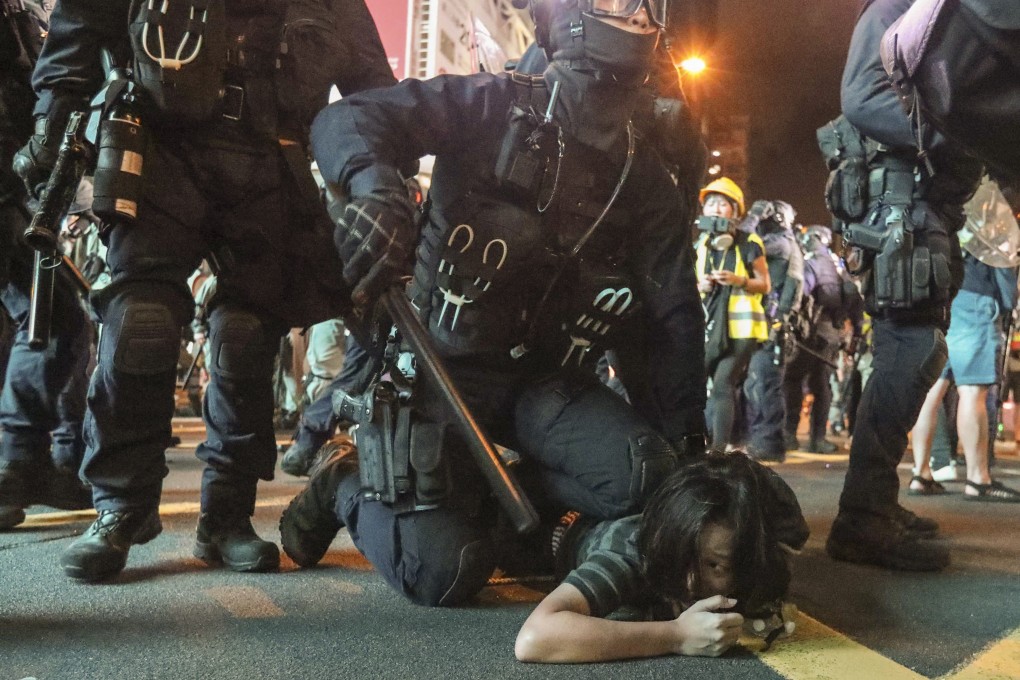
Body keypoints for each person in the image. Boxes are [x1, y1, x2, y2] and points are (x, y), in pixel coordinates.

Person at [287, 0, 708, 606]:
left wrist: (689, 452)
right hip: (441, 369)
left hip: (542, 383)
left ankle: (515, 516)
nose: (639, 16)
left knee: (650, 477)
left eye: (646, 5)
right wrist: (374, 191)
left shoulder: (643, 173)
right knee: (444, 573)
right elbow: (347, 119)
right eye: (619, 2)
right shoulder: (490, 102)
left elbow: (673, 320)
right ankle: (342, 478)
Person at [15, 0, 397, 581]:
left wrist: (377, 180)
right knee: (139, 322)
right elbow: (81, 25)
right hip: (158, 149)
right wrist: (52, 120)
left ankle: (227, 516)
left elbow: (375, 99)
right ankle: (121, 506)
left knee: (246, 340)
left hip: (272, 160)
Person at [820, 0, 985, 571]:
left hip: (918, 209)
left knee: (918, 352)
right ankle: (861, 520)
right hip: (898, 211)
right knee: (908, 352)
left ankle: (873, 504)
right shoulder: (896, 6)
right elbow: (861, 98)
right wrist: (958, 141)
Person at [514, 452, 808, 663]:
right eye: (685, 554)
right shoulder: (630, 550)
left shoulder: (754, 564)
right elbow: (536, 637)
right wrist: (675, 635)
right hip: (526, 532)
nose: (691, 579)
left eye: (715, 565)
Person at [0, 0, 93, 530]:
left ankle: (23, 462)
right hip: (10, 188)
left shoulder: (25, 10)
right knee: (52, 319)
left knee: (57, 320)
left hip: (17, 192)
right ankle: (20, 463)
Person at [908, 252, 1020, 501]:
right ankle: (978, 479)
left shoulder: (939, 213)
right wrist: (1007, 302)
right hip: (974, 300)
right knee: (972, 391)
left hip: (935, 300)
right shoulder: (987, 215)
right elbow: (1002, 263)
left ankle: (921, 473)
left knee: (932, 390)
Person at [696, 178, 771, 450]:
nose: (715, 209)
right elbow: (688, 285)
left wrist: (738, 280)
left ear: (735, 210)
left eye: (722, 204)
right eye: (711, 203)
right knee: (694, 385)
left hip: (741, 331)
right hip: (709, 327)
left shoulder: (749, 241)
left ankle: (717, 450)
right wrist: (700, 285)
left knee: (722, 385)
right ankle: (698, 442)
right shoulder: (700, 244)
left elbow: (765, 284)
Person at [782, 225, 859, 454]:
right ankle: (818, 438)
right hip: (832, 333)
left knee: (792, 380)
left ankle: (789, 434)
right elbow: (853, 297)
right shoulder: (837, 263)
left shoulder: (811, 260)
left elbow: (802, 290)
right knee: (822, 384)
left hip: (809, 332)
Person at [744, 200, 803, 462]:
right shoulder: (788, 243)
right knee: (762, 384)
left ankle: (767, 444)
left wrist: (753, 216)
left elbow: (743, 246)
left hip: (770, 326)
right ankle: (764, 441)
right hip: (773, 326)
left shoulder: (779, 243)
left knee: (763, 384)